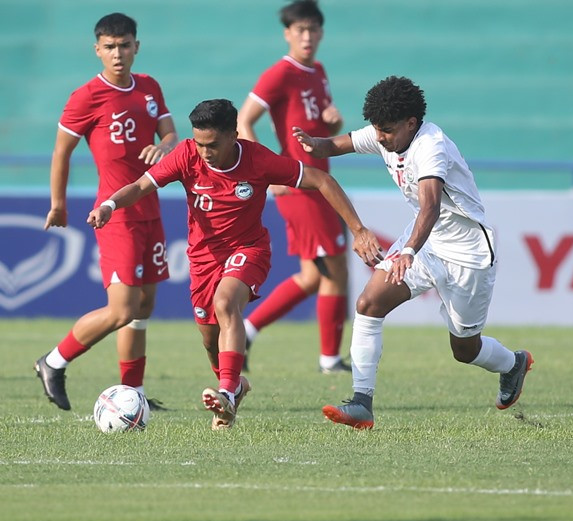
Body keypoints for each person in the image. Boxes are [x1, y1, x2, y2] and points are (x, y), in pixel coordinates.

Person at [88, 99, 380, 430]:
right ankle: (234, 389)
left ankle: (226, 390)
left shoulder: (258, 160)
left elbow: (321, 180)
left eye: (212, 144)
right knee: (210, 340)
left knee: (225, 303)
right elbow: (142, 185)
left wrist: (358, 230)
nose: (204, 152)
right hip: (202, 259)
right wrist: (110, 205)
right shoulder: (186, 155)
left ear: (234, 135)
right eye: (199, 144)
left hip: (249, 249)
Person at [296, 76, 534, 430]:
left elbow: (430, 207)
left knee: (464, 350)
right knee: (368, 304)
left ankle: (512, 363)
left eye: (386, 131)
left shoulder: (431, 146)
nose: (379, 137)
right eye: (376, 129)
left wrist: (407, 250)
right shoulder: (387, 133)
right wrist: (314, 143)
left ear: (411, 123)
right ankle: (362, 403)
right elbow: (338, 144)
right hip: (426, 245)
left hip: (467, 255)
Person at [34, 12, 178, 411]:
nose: (118, 54)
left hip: (150, 209)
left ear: (137, 47)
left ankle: (133, 393)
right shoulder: (86, 96)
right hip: (115, 214)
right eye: (110, 47)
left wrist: (164, 146)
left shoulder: (149, 87)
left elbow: (170, 133)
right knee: (122, 309)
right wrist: (58, 204)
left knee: (144, 305)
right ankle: (52, 361)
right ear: (97, 50)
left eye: (125, 45)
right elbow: (62, 151)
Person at [237, 0, 351, 374]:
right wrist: (265, 171)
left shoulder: (317, 71)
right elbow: (244, 120)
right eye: (301, 30)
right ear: (288, 33)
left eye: (314, 29)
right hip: (301, 186)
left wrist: (333, 122)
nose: (308, 36)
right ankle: (330, 359)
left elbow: (321, 128)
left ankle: (248, 328)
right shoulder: (280, 74)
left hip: (321, 181)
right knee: (335, 271)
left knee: (310, 276)